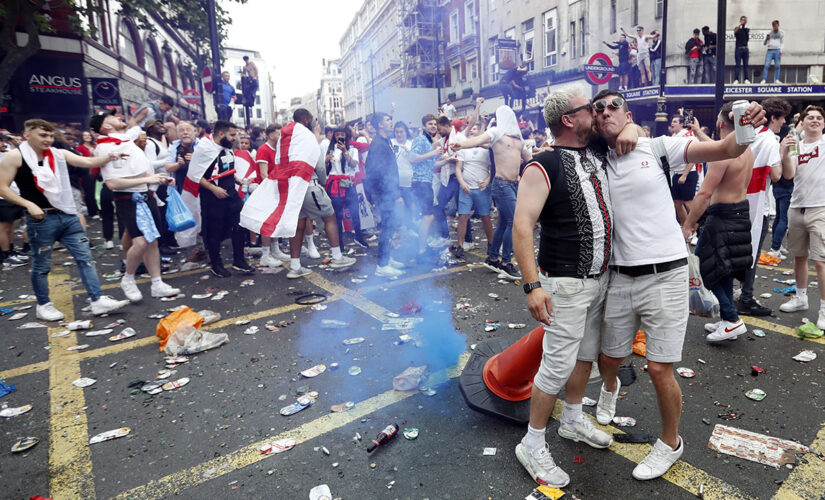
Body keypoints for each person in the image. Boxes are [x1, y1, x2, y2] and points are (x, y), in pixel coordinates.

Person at [591, 90, 765, 481]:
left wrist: (747, 120)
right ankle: (610, 388)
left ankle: (670, 443)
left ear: (628, 112)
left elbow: (725, 147)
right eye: (598, 109)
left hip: (666, 273)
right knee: (610, 357)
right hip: (619, 274)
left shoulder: (658, 147)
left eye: (613, 106)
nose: (605, 113)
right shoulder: (594, 158)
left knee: (658, 368)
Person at [512, 85, 636, 487]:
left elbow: (628, 130)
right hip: (563, 283)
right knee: (556, 365)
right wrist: (532, 285)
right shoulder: (542, 164)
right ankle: (531, 443)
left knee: (584, 355)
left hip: (600, 279)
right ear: (569, 119)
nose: (599, 114)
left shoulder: (596, 152)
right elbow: (522, 226)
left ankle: (573, 419)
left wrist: (635, 130)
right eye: (591, 109)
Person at [0, 119, 131, 319]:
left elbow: (87, 162)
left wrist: (111, 156)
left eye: (51, 135)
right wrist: (28, 204)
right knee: (41, 266)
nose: (48, 139)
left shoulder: (58, 154)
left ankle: (98, 300)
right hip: (41, 219)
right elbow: (2, 187)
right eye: (43, 135)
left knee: (85, 258)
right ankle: (43, 306)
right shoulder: (15, 157)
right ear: (27, 136)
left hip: (67, 215)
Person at [681, 102, 755, 341]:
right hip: (740, 212)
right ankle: (727, 318)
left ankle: (732, 319)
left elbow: (704, 194)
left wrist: (687, 225)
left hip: (721, 217)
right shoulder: (747, 149)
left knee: (706, 266)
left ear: (721, 123)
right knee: (723, 268)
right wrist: (698, 132)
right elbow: (717, 146)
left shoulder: (721, 157)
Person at [91, 111, 181, 303]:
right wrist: (150, 179)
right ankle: (128, 279)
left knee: (153, 241)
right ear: (106, 126)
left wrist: (158, 180)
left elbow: (141, 168)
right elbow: (113, 183)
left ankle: (157, 283)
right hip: (129, 199)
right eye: (113, 118)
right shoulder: (106, 147)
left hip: (145, 195)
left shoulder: (125, 141)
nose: (120, 118)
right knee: (140, 242)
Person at [452, 105, 533, 280]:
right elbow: (478, 139)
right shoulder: (496, 132)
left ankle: (493, 258)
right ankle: (506, 263)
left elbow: (529, 159)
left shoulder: (519, 138)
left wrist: (548, 152)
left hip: (513, 185)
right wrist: (461, 145)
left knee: (505, 222)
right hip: (501, 184)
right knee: (515, 222)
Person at [285, 109, 356, 278]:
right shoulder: (307, 137)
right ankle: (337, 257)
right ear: (306, 120)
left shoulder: (288, 138)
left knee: (299, 224)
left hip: (293, 187)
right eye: (312, 120)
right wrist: (323, 182)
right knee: (330, 216)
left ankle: (295, 267)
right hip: (309, 184)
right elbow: (319, 166)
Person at [737, 97, 791, 317]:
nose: (783, 122)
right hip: (758, 204)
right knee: (751, 254)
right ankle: (746, 298)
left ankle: (734, 293)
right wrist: (783, 152)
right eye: (781, 118)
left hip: (737, 200)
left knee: (737, 250)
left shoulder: (746, 136)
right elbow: (778, 175)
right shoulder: (770, 140)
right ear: (772, 117)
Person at [778, 105, 825, 330]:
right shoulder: (796, 145)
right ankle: (801, 297)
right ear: (802, 123)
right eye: (810, 118)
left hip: (821, 208)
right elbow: (789, 173)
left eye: (818, 118)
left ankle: (824, 308)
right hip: (797, 207)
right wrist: (785, 152)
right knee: (799, 256)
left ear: (823, 124)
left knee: (821, 261)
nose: (814, 121)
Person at [188, 120, 253, 277]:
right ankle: (216, 264)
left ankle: (239, 260)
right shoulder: (205, 148)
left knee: (239, 225)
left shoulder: (227, 147)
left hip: (230, 192)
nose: (234, 138)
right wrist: (213, 188)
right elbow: (195, 175)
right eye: (232, 135)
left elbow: (226, 168)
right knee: (214, 231)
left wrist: (236, 179)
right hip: (212, 196)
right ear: (221, 134)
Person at [365, 112, 405, 277]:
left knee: (390, 225)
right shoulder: (378, 144)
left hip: (386, 192)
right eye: (388, 120)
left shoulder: (384, 141)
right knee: (387, 227)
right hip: (386, 194)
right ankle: (382, 266)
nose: (391, 122)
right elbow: (382, 173)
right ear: (380, 125)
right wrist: (395, 194)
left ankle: (387, 259)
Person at [324, 126, 368, 252]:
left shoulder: (352, 149)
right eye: (337, 134)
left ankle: (359, 237)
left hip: (348, 183)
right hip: (335, 185)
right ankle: (339, 244)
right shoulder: (330, 149)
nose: (339, 137)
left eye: (342, 134)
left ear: (346, 136)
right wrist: (326, 161)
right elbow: (327, 170)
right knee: (337, 216)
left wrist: (345, 152)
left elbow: (353, 164)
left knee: (355, 212)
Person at [408, 114, 445, 262]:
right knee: (428, 216)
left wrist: (448, 160)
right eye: (430, 124)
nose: (433, 126)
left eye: (435, 124)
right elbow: (412, 158)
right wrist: (433, 152)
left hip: (426, 181)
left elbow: (430, 165)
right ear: (423, 126)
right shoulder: (420, 139)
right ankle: (421, 249)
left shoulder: (428, 141)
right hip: (421, 183)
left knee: (426, 215)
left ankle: (421, 245)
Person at [254, 123, 292, 265]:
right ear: (271, 135)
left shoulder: (278, 149)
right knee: (267, 222)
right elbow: (264, 175)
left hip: (277, 189)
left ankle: (275, 251)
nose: (282, 136)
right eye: (279, 134)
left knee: (275, 221)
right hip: (267, 190)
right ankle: (265, 255)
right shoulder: (264, 149)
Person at [454, 122, 493, 260]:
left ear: (480, 133)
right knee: (463, 217)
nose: (471, 131)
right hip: (466, 188)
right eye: (470, 130)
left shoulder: (487, 150)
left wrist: (488, 180)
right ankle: (460, 246)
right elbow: (458, 168)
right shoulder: (463, 149)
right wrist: (462, 183)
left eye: (475, 129)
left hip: (482, 188)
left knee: (485, 217)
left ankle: (490, 244)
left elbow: (492, 168)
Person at [142, 119, 176, 255]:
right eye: (158, 125)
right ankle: (161, 244)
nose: (162, 126)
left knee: (165, 213)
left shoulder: (160, 143)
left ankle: (167, 241)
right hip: (156, 184)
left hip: (164, 182)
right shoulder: (150, 144)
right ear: (150, 129)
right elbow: (150, 164)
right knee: (160, 215)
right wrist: (168, 161)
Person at [391, 122, 415, 230]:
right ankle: (398, 230)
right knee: (396, 208)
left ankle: (410, 229)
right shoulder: (391, 142)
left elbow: (416, 160)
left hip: (409, 181)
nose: (399, 134)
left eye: (401, 132)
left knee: (409, 206)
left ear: (406, 132)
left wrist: (408, 150)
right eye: (397, 132)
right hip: (395, 182)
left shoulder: (412, 143)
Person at [761, 20, 785, 84]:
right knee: (766, 65)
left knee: (777, 66)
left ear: (778, 25)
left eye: (776, 26)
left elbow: (782, 43)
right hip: (770, 50)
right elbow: (764, 43)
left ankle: (777, 79)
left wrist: (781, 50)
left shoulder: (781, 33)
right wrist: (766, 39)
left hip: (777, 50)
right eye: (773, 26)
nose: (775, 27)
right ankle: (764, 79)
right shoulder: (769, 33)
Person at [733, 16, 750, 84]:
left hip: (745, 48)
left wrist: (745, 26)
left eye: (744, 20)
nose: (743, 21)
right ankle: (736, 79)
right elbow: (735, 32)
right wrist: (740, 25)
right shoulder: (737, 29)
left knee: (746, 65)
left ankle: (746, 79)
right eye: (742, 20)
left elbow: (747, 39)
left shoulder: (746, 29)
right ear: (740, 21)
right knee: (737, 64)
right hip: (739, 49)